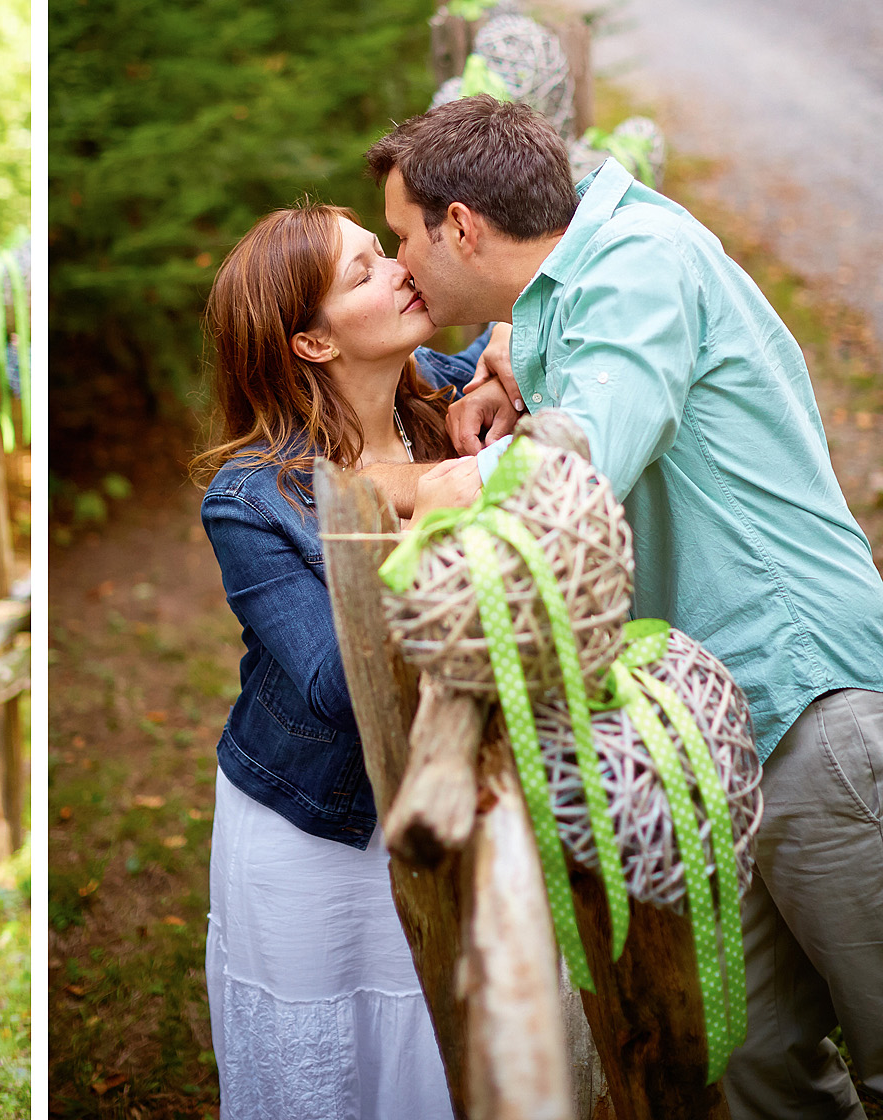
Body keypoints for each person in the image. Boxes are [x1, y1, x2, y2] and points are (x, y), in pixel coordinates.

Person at [365, 95, 883, 1120]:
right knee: (755, 1060)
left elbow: (574, 465)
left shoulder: (640, 265)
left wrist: (373, 487)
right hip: (714, 732)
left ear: (461, 224)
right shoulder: (574, 263)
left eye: (400, 237)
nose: (400, 263)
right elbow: (557, 313)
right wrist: (508, 356)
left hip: (809, 703)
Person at [191, 201, 482, 1119]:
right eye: (363, 273)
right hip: (317, 829)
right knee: (337, 1070)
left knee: (446, 1054)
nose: (402, 267)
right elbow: (334, 680)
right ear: (314, 344)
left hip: (453, 796)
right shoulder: (250, 499)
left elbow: (551, 307)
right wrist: (435, 500)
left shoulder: (437, 389)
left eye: (380, 251)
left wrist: (509, 349)